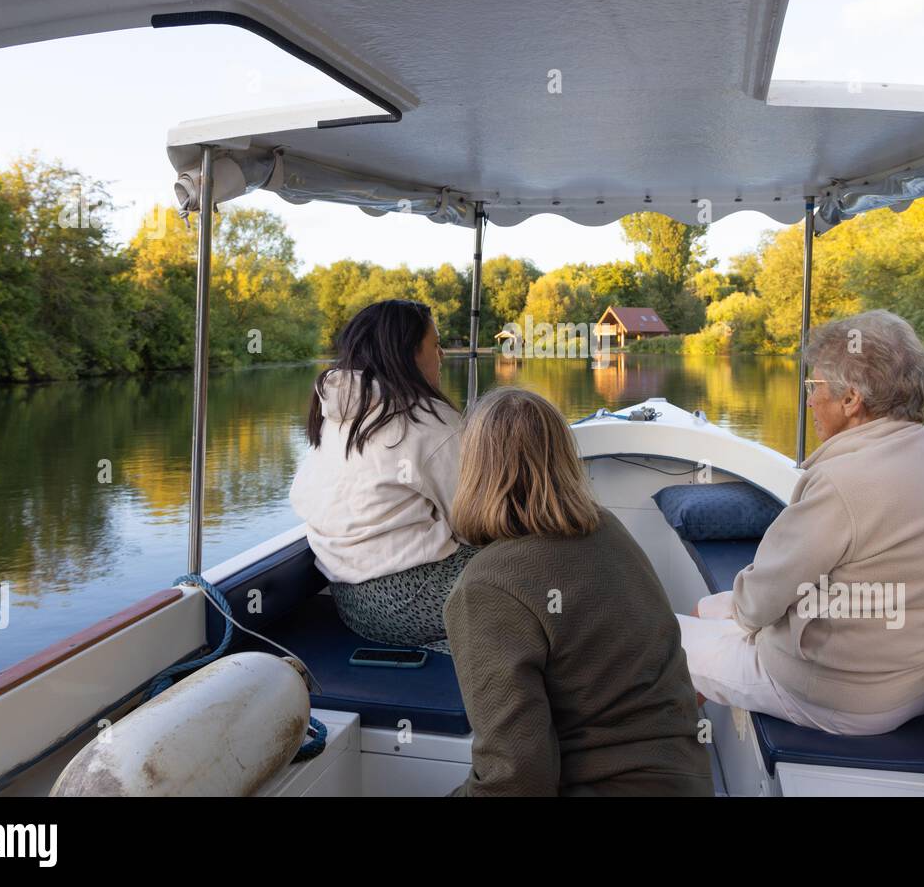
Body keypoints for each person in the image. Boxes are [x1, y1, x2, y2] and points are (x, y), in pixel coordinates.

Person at [677, 309, 924, 736]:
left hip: (835, 696)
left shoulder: (844, 482)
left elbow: (759, 602)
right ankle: (686, 738)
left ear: (851, 399)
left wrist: (745, 625)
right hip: (913, 684)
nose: (808, 400)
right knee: (707, 610)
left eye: (814, 386)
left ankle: (663, 760)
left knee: (661, 640)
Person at [444, 387, 713, 796]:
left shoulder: (486, 587)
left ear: (474, 470)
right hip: (687, 779)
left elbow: (515, 781)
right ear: (565, 459)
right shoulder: (607, 529)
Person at [289, 299, 475, 653]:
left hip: (350, 601)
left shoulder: (337, 413)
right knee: (546, 565)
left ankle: (450, 644)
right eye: (435, 345)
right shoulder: (429, 421)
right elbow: (473, 523)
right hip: (411, 599)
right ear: (408, 352)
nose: (442, 356)